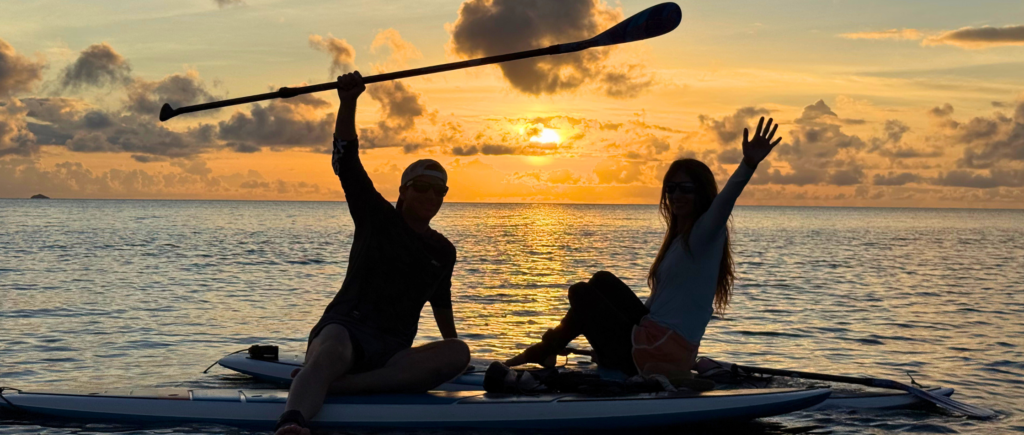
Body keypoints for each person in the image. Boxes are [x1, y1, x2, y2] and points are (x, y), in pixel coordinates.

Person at [506, 117, 781, 382]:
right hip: (651, 335)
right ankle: (549, 348)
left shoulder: (705, 234)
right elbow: (655, 304)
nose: (676, 196)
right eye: (671, 189)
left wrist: (748, 164)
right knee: (601, 280)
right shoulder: (679, 239)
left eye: (685, 189)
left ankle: (547, 349)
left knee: (580, 292)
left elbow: (726, 201)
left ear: (701, 193)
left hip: (660, 351)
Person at [275, 72, 471, 435]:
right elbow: (346, 162)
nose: (431, 197)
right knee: (331, 349)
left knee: (458, 351)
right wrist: (348, 101)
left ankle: (334, 385)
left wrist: (459, 366)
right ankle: (292, 422)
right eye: (422, 188)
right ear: (403, 191)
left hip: (392, 352)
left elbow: (441, 306)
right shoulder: (375, 217)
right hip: (346, 331)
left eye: (439, 191)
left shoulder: (443, 251)